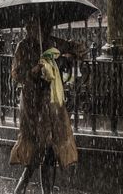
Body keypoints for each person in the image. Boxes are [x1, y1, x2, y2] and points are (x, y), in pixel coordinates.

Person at [11, 16, 83, 194]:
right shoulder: (23, 47)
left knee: (51, 149)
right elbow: (17, 74)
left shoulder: (53, 44)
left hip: (51, 101)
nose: (33, 30)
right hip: (32, 104)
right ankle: (20, 187)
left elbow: (80, 49)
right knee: (37, 149)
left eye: (37, 26)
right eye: (31, 26)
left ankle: (47, 192)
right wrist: (33, 71)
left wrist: (65, 57)